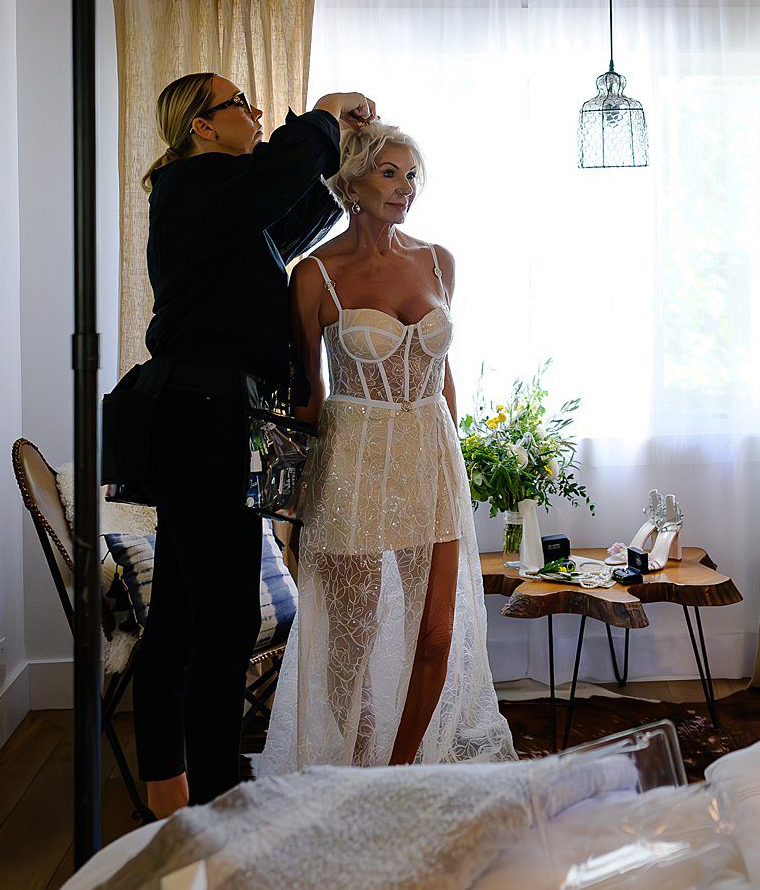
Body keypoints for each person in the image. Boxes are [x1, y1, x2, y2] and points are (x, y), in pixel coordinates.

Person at [127, 73, 375, 814]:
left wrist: (340, 151)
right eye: (239, 104)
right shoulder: (190, 186)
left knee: (179, 612)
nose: (257, 113)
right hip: (204, 419)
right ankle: (219, 804)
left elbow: (288, 214)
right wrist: (323, 114)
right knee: (226, 619)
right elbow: (272, 182)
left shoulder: (222, 209)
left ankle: (170, 791)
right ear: (201, 127)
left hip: (210, 418)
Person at [259, 121, 516, 772]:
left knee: (436, 632)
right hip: (353, 457)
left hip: (429, 453)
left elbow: (443, 373)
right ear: (351, 184)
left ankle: (401, 770)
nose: (405, 187)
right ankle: (352, 764)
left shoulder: (438, 261)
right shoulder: (314, 274)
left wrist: (455, 454)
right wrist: (296, 498)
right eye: (389, 173)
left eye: (411, 175)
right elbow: (307, 392)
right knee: (352, 639)